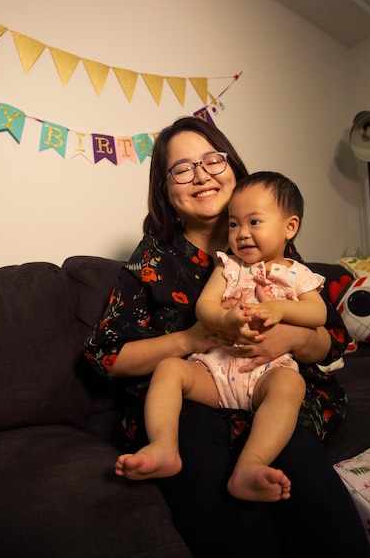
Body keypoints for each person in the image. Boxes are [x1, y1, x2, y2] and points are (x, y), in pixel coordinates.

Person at [84, 116, 370, 557]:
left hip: (272, 387)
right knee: (224, 515)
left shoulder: (267, 234)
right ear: (165, 190)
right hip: (197, 395)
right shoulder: (154, 257)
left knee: (315, 499)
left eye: (211, 160)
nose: (201, 175)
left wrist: (288, 339)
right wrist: (191, 340)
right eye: (181, 168)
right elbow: (105, 357)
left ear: (233, 167)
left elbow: (330, 336)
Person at [115, 171, 327, 503]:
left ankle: (250, 466)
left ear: (290, 227)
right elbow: (205, 307)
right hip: (214, 372)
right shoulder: (228, 266)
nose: (242, 234)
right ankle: (164, 445)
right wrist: (226, 319)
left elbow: (319, 315)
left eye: (254, 222)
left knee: (290, 385)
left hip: (266, 374)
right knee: (170, 369)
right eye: (233, 224)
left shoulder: (298, 274)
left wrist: (281, 312)